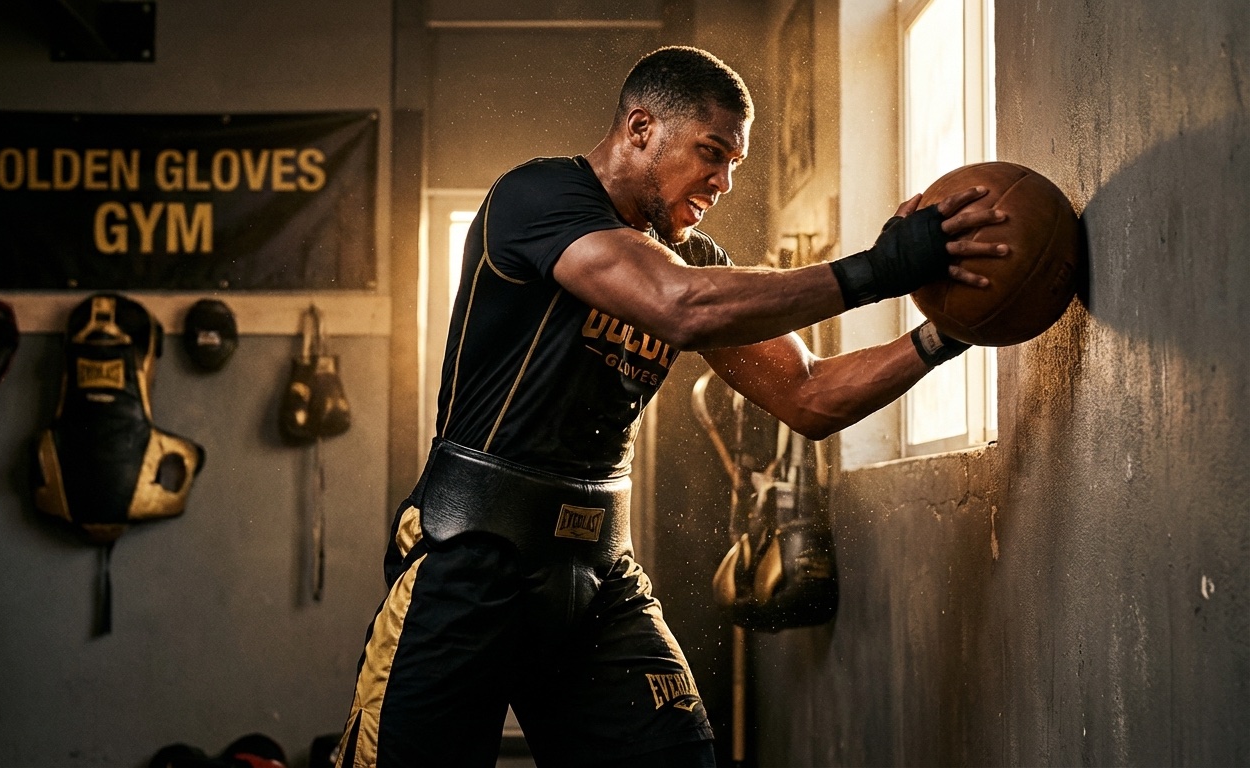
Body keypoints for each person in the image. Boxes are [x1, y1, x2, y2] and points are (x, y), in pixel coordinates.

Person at [334, 46, 1006, 768]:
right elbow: (677, 307)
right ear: (641, 127)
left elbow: (811, 395)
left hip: (594, 576)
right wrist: (880, 270)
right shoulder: (540, 197)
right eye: (710, 153)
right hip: (470, 560)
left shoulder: (699, 265)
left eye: (734, 165)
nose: (722, 182)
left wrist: (949, 333)